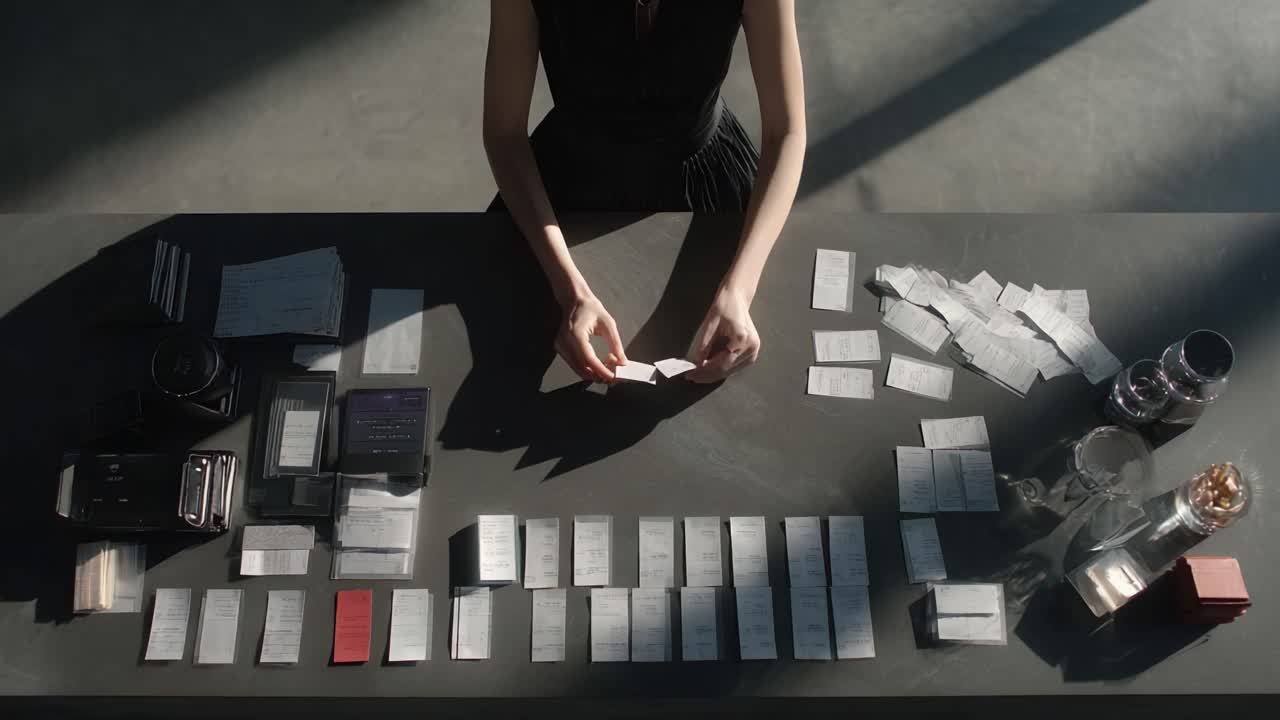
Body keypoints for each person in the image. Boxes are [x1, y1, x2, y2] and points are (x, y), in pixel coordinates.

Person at [484, 0, 805, 384]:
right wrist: (570, 289)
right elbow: (504, 134)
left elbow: (785, 132)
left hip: (709, 189)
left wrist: (739, 289)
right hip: (562, 192)